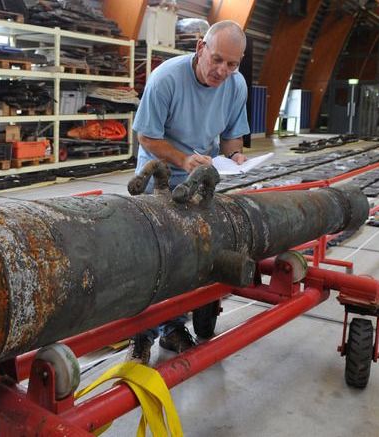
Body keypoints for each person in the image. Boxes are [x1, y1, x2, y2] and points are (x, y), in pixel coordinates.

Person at [126, 20, 250, 364]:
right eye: (218, 60)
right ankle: (141, 336)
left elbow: (231, 136)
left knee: (190, 258)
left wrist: (235, 155)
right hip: (160, 178)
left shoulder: (236, 85)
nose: (223, 71)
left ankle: (172, 327)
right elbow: (146, 137)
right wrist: (183, 158)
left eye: (233, 64)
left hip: (200, 181)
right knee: (156, 260)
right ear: (200, 47)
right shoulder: (167, 79)